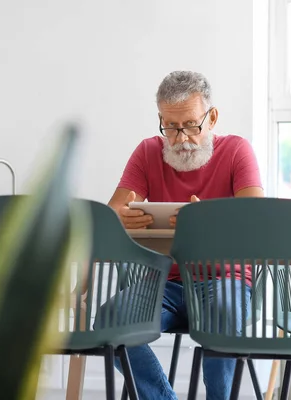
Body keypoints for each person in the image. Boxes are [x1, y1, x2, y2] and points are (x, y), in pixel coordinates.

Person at [106, 71, 264, 400]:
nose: (180, 138)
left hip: (227, 278)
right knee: (111, 319)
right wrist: (124, 217)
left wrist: (206, 221)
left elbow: (255, 219)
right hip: (168, 280)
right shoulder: (148, 152)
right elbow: (113, 213)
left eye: (191, 125)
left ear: (212, 117)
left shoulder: (236, 151)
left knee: (222, 318)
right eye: (170, 127)